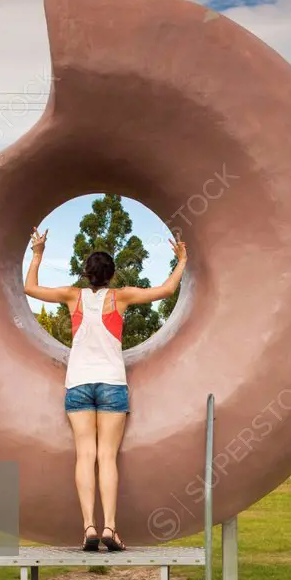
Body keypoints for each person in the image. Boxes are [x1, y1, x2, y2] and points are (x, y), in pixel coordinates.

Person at [24, 228, 187, 551]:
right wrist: (181, 260)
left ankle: (88, 529)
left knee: (85, 455)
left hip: (79, 384)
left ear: (87, 274)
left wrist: (38, 253)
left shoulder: (73, 296)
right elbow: (167, 290)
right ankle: (110, 528)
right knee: (107, 457)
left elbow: (29, 287)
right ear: (112, 275)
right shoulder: (121, 296)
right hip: (112, 383)